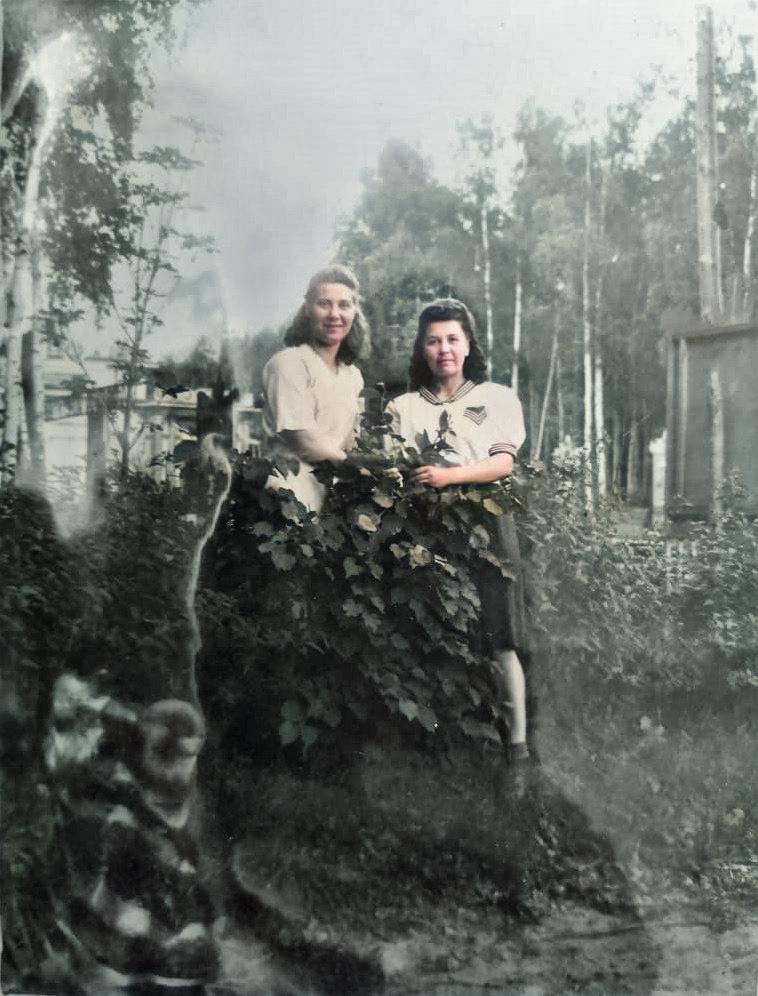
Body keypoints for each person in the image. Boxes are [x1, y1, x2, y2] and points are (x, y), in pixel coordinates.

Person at [385, 298, 530, 764]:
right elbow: (395, 470)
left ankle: (517, 747)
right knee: (432, 626)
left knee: (500, 635)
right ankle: (443, 740)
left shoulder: (497, 398)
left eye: (452, 338)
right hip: (427, 525)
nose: (444, 349)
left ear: (468, 345)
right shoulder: (404, 408)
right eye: (433, 341)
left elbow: (502, 463)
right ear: (422, 349)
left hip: (488, 523)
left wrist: (449, 476)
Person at [262, 265, 367, 512]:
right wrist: (362, 468)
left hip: (330, 496)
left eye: (344, 305)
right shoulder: (288, 363)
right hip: (287, 493)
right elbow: (304, 441)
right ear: (308, 308)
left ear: (354, 312)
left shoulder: (353, 376)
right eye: (324, 304)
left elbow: (349, 440)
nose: (334, 314)